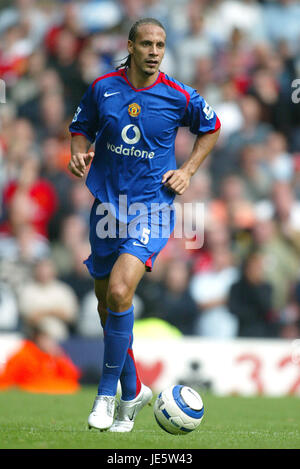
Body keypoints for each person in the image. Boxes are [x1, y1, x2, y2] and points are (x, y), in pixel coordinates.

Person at [68, 17, 220, 432]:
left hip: (152, 210)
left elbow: (212, 127)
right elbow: (80, 129)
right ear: (131, 46)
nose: (155, 51)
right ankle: (133, 390)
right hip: (105, 207)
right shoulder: (104, 89)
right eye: (148, 44)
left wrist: (187, 170)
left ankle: (105, 397)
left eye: (161, 45)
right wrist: (78, 153)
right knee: (106, 307)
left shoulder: (178, 95)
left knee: (119, 291)